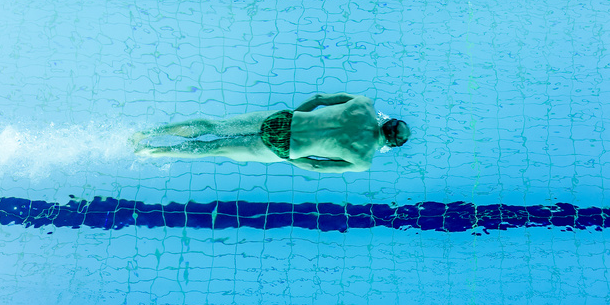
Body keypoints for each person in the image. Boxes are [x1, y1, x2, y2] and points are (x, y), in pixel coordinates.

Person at [132, 93, 410, 173]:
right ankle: (152, 151)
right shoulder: (362, 160)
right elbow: (315, 165)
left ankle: (145, 133)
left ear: (387, 122)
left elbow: (318, 99)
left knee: (215, 127)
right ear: (391, 143)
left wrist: (294, 116)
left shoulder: (364, 104)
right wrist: (289, 156)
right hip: (285, 148)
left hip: (282, 120)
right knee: (215, 148)